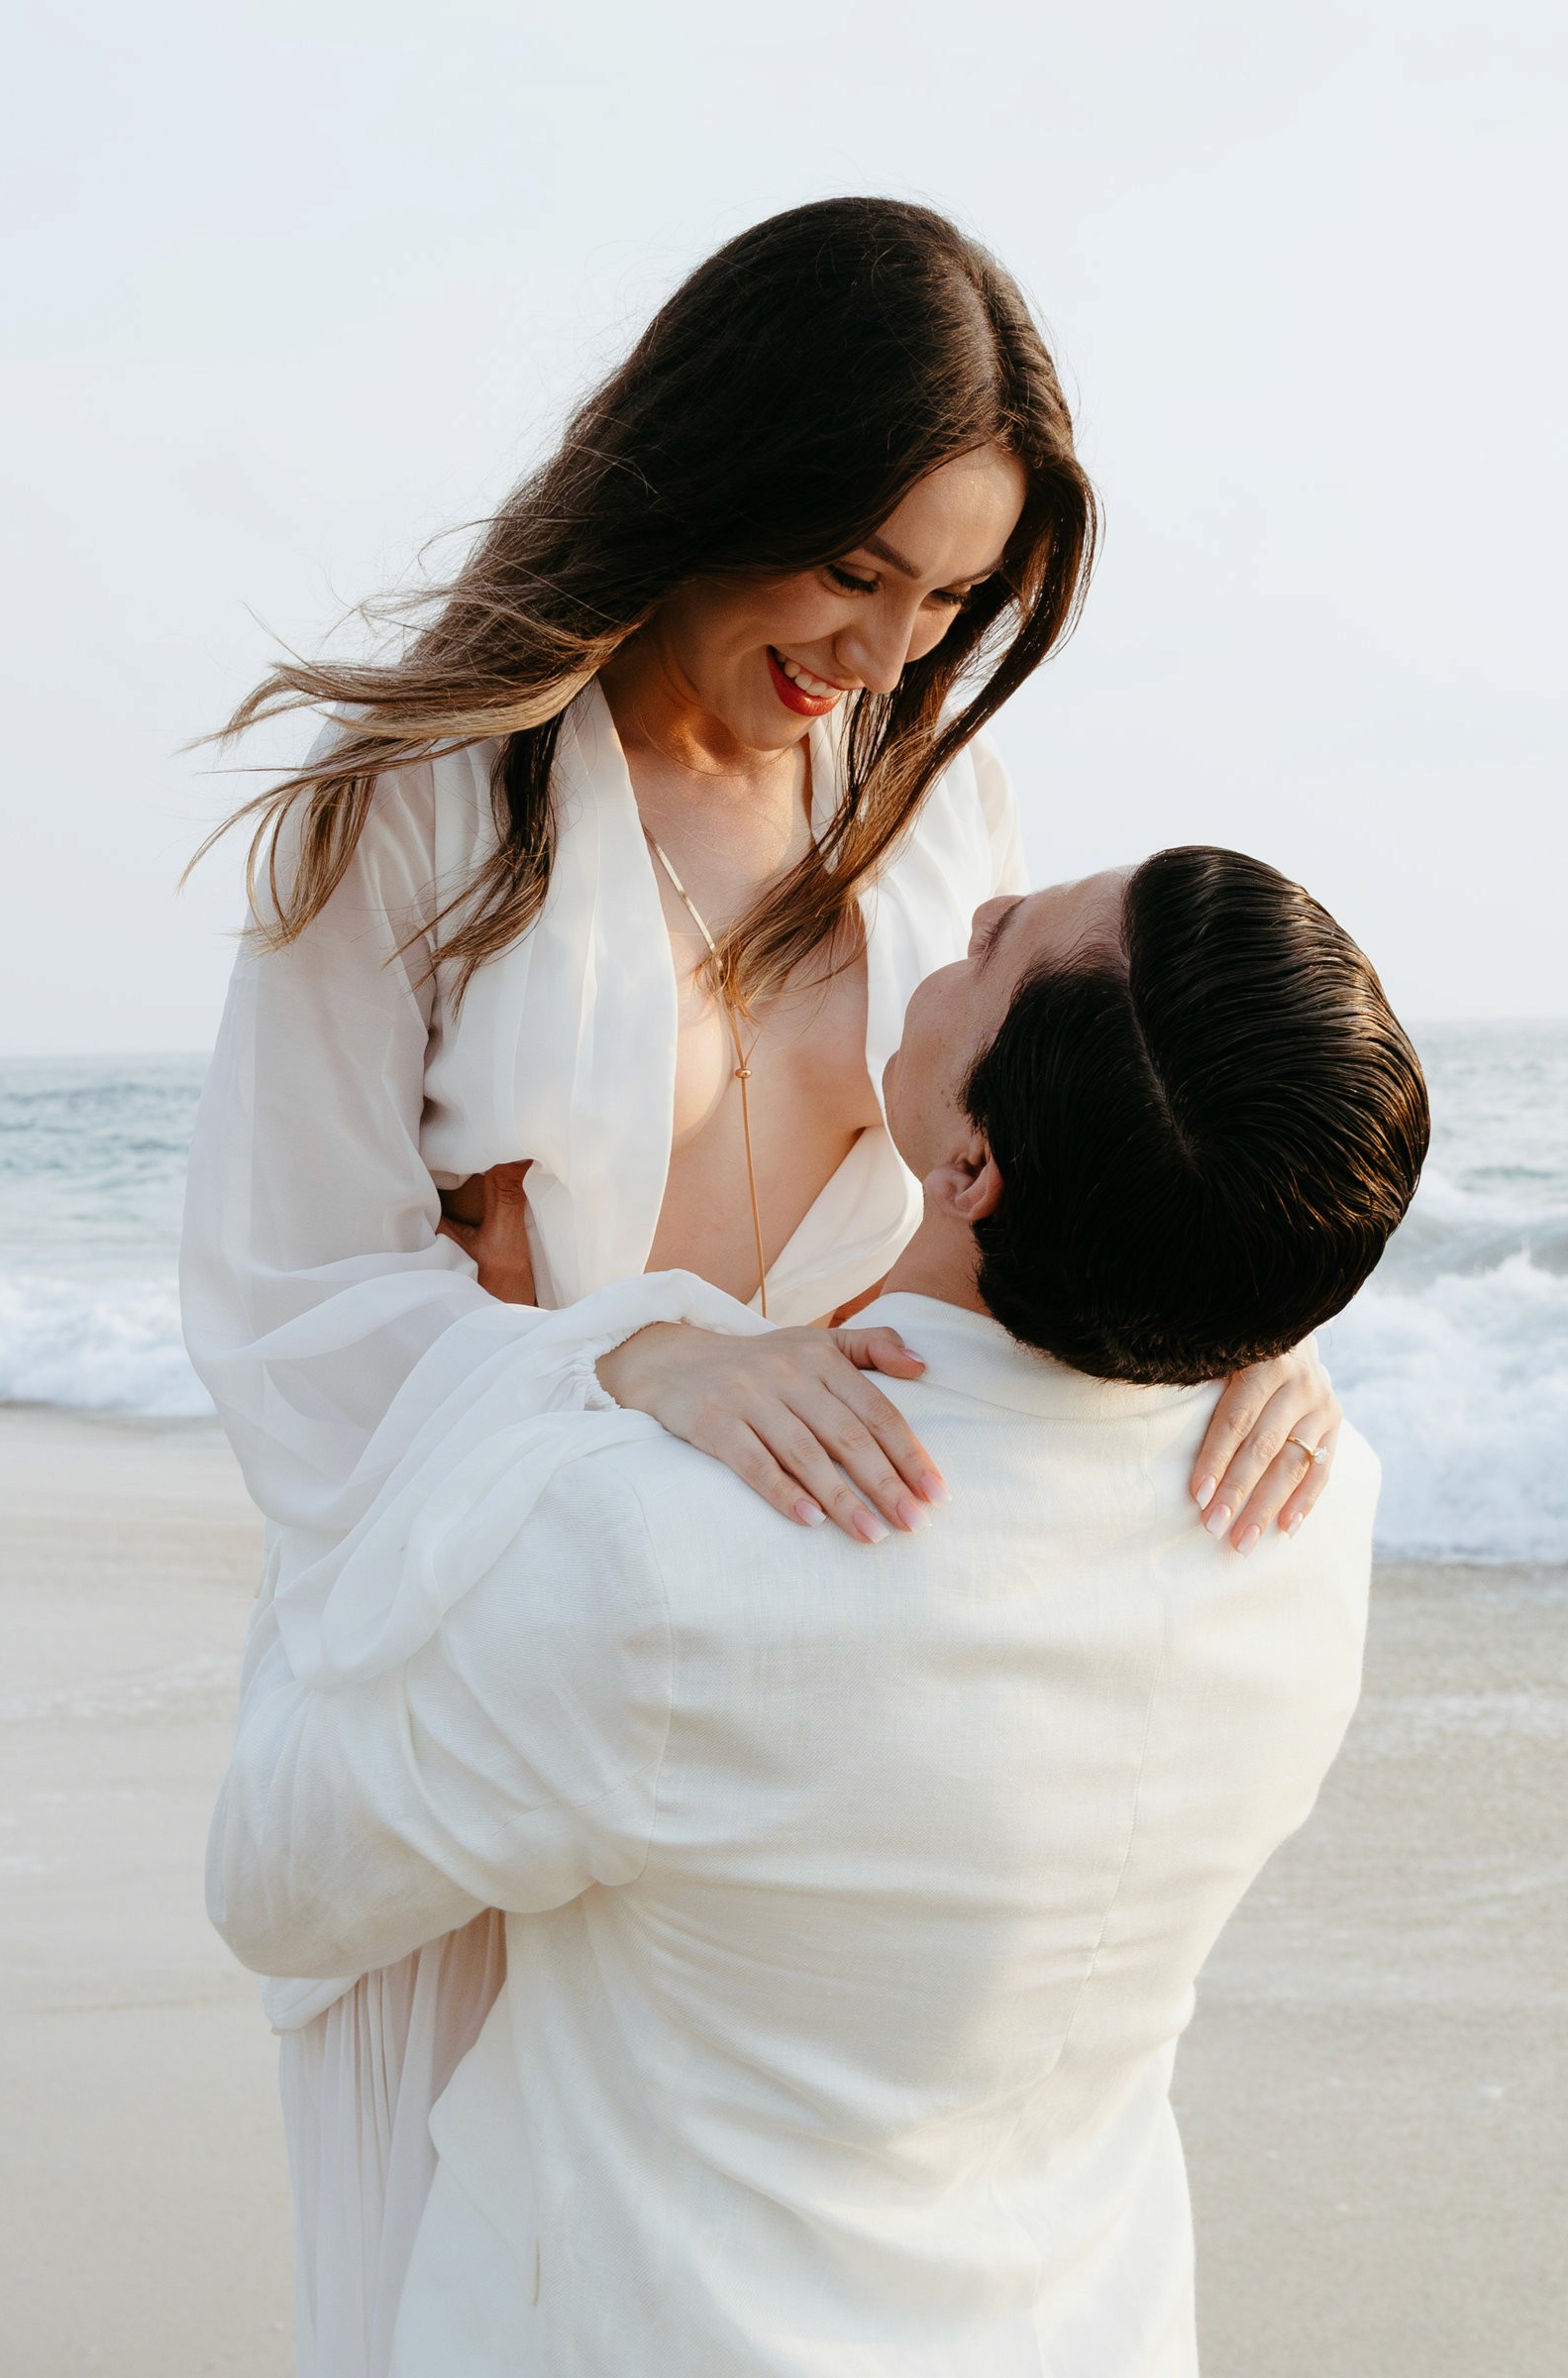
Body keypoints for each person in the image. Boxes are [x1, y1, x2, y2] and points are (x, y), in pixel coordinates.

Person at [183, 199, 1338, 2370]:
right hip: (508, 1655)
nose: (881, 651)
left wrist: (1239, 1338)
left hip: (813, 1697)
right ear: (716, 472)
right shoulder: (417, 812)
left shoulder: (933, 808)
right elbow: (284, 1305)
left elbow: (1044, 1167)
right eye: (851, 569)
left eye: (949, 600)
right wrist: (626, 1360)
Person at [208, 846, 1428, 2376]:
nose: (976, 904)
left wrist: (504, 1387)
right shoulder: (1314, 1508)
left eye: (1001, 945)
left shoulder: (658, 1558)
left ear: (973, 1169)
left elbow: (275, 1880)